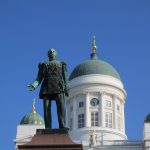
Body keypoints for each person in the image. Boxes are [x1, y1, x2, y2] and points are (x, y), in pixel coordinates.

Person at [27, 48, 69, 128]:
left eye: (53, 51)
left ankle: (62, 125)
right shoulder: (43, 64)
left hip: (59, 87)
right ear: (48, 54)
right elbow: (39, 78)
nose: (51, 52)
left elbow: (65, 77)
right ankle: (48, 127)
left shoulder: (61, 64)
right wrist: (34, 85)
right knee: (46, 109)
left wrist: (67, 87)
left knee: (61, 107)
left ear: (56, 54)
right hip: (46, 87)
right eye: (50, 52)